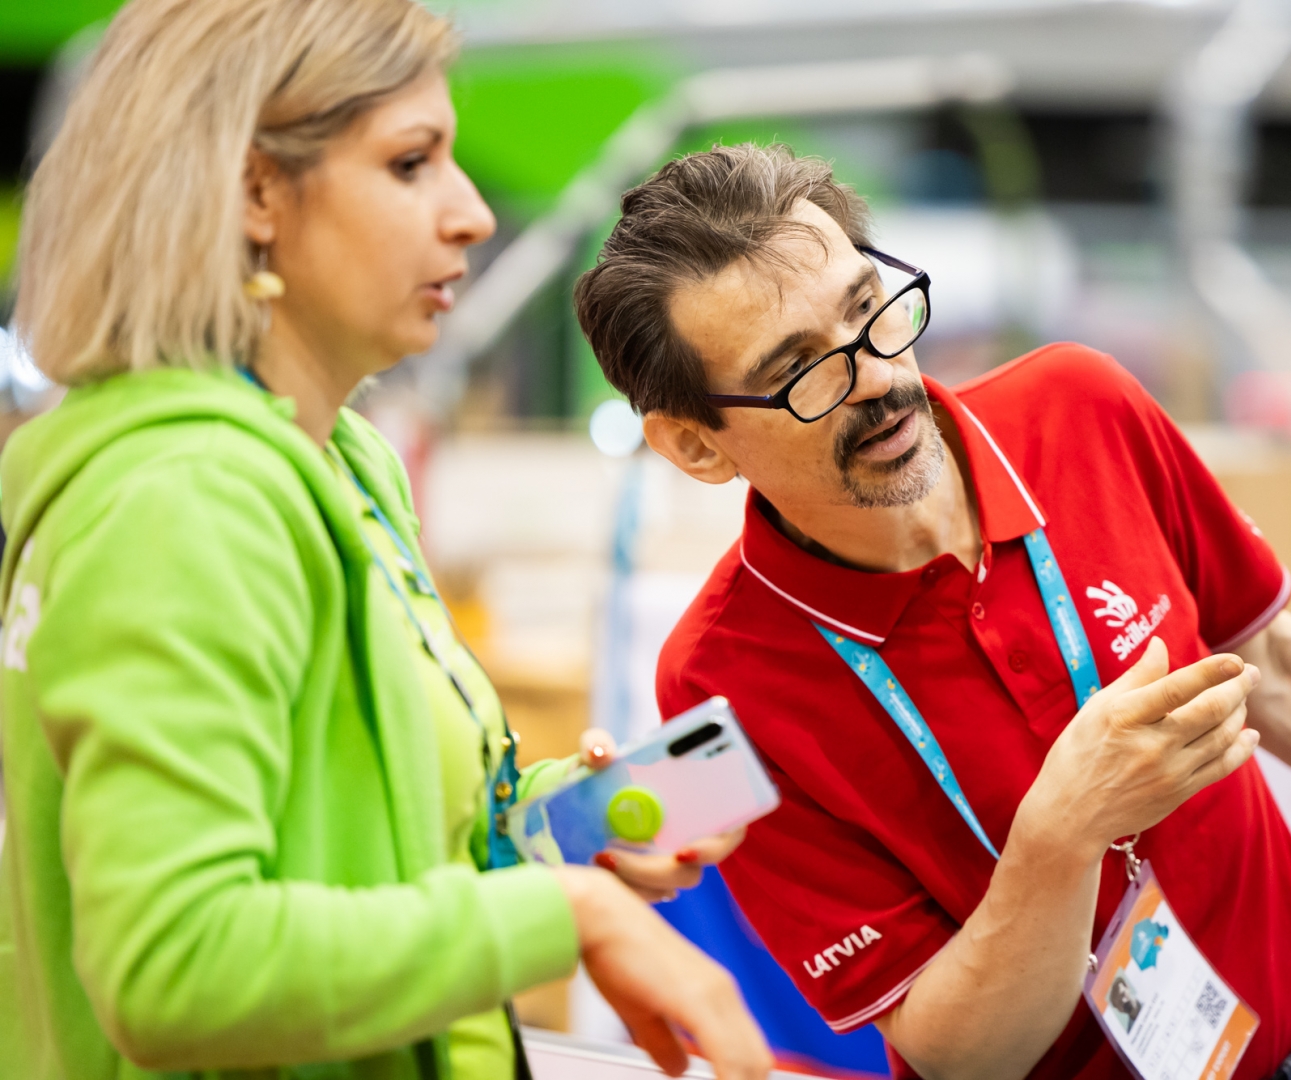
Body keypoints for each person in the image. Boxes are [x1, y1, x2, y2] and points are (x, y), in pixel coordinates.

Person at [0, 3, 771, 1078]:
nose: (471, 215)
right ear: (256, 193)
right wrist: (565, 916)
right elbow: (174, 964)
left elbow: (374, 847)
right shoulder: (189, 498)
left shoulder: (341, 462)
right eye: (411, 163)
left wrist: (556, 829)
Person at [573, 144, 1291, 1080]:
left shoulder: (1079, 407)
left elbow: (1271, 668)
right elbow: (952, 1055)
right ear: (696, 446)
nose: (877, 378)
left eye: (866, 309)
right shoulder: (720, 681)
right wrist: (1062, 833)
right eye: (800, 369)